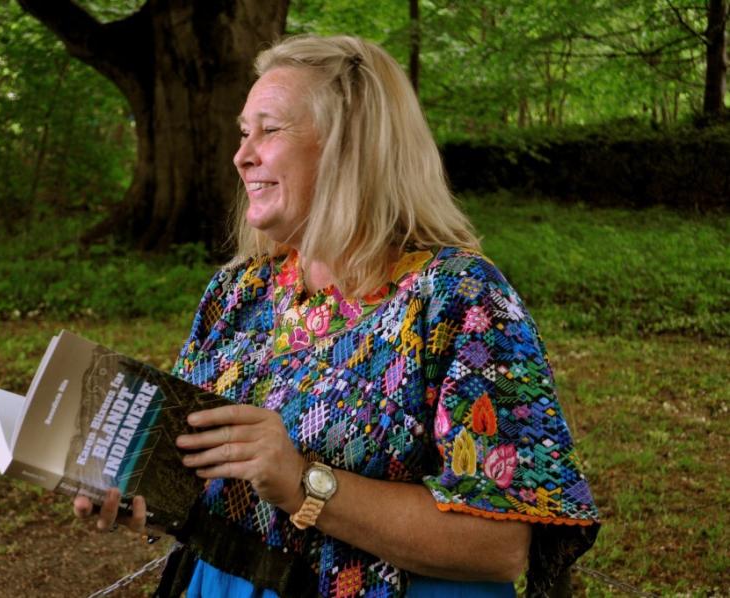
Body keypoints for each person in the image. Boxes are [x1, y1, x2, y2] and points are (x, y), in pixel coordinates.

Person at [74, 34, 600, 597]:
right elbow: (198, 469)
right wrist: (146, 492)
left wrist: (303, 483)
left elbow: (499, 548)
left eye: (269, 129)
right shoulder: (239, 291)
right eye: (243, 131)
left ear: (350, 146)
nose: (242, 154)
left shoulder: (457, 298)